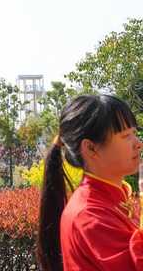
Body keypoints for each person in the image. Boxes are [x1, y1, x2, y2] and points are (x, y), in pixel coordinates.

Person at [37, 94, 143, 270]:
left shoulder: (116, 199)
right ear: (91, 148)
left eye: (135, 133)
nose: (138, 143)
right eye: (125, 136)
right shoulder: (89, 215)